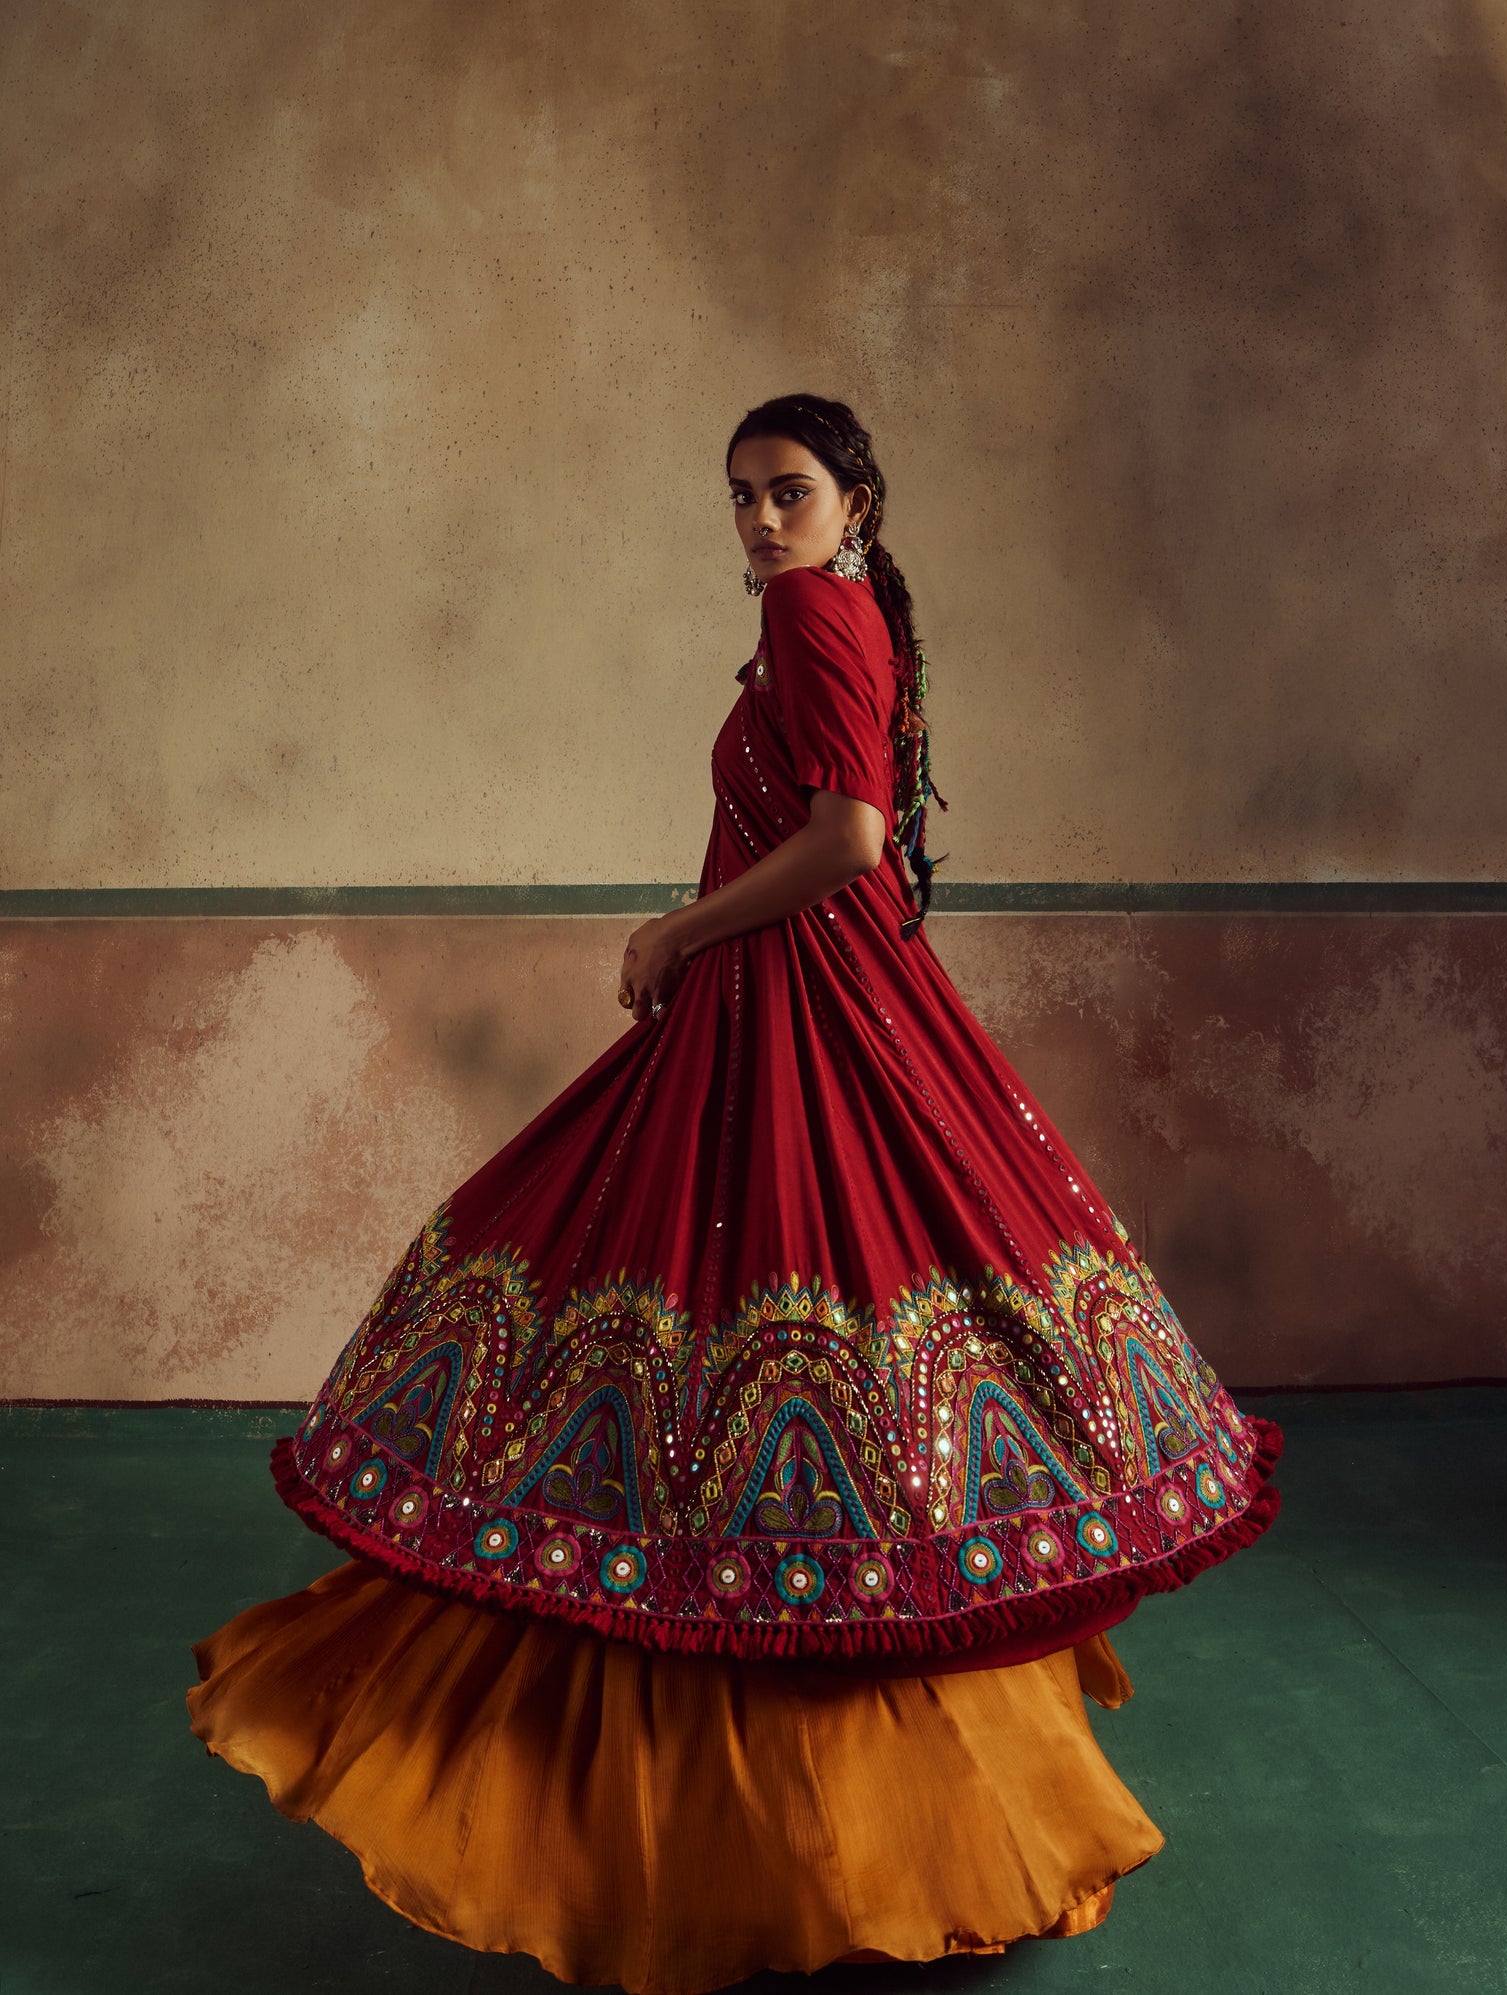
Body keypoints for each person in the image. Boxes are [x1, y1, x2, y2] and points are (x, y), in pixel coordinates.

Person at [187, 392, 1282, 1994]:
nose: (762, 523)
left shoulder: (819, 613)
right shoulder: (817, 613)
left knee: (786, 1288)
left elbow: (850, 841)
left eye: (789, 492)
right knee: (727, 1286)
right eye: (743, 501)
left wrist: (677, 932)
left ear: (857, 502)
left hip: (803, 999)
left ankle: (797, 1750)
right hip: (788, 1001)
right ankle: (768, 1709)